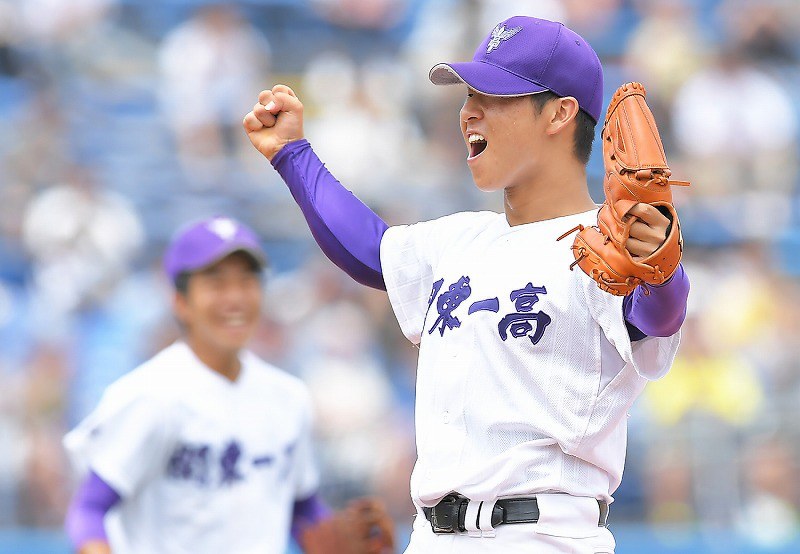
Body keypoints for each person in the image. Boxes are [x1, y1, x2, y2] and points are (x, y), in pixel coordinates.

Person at [243, 15, 689, 554]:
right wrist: (293, 155)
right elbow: (369, 249)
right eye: (468, 95)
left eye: (495, 95)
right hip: (433, 537)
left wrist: (663, 269)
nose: (468, 112)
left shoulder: (607, 244)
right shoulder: (458, 240)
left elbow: (657, 316)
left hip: (543, 536)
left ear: (560, 113)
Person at [62, 216, 393, 554]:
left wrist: (337, 541)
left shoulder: (288, 397)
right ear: (181, 300)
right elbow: (88, 511)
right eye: (217, 284)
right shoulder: (149, 394)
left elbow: (301, 509)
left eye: (247, 281)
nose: (235, 298)